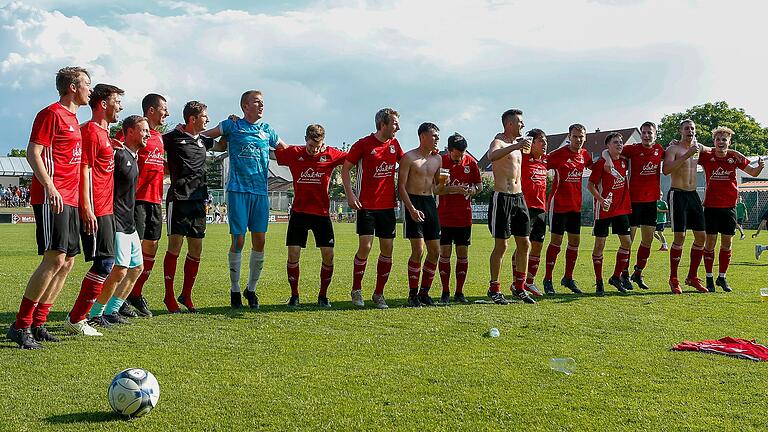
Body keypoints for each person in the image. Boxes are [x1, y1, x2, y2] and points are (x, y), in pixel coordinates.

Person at [6, 66, 91, 349]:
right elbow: (33, 152)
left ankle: (39, 323)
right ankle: (21, 325)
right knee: (54, 259)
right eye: (86, 85)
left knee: (67, 262)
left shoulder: (74, 120)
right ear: (72, 87)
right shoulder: (51, 114)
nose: (89, 90)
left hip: (70, 200)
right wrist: (51, 187)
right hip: (51, 197)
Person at [199, 90, 288, 309]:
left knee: (260, 241)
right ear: (244, 106)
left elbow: (287, 151)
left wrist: (312, 151)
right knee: (238, 240)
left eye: (263, 103)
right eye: (257, 102)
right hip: (237, 190)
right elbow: (203, 136)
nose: (261, 106)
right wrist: (183, 134)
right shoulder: (232, 125)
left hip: (260, 192)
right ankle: (235, 289)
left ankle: (251, 289)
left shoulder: (267, 131)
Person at [65, 83, 124, 336]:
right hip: (96, 208)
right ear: (103, 104)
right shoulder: (90, 131)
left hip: (106, 207)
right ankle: (77, 319)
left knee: (107, 263)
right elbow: (84, 169)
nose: (119, 107)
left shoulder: (101, 133)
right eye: (116, 102)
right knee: (104, 263)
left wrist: (110, 143)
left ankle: (80, 317)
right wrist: (87, 207)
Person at [275, 124, 346, 308]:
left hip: (321, 214)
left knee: (328, 255)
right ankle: (294, 295)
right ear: (305, 139)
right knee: (293, 254)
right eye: (311, 146)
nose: (314, 150)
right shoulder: (294, 153)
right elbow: (272, 151)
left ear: (323, 142)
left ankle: (323, 296)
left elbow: (353, 158)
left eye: (318, 146)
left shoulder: (331, 154)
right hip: (299, 213)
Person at [88, 115, 148, 325]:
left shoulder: (133, 156)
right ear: (130, 132)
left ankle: (112, 310)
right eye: (143, 130)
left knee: (137, 268)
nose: (147, 134)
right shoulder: (118, 155)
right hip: (116, 221)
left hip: (129, 223)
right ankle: (96, 313)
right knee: (119, 270)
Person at [341, 108, 404, 309]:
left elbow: (407, 163)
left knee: (388, 249)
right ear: (382, 124)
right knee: (365, 246)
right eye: (394, 123)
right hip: (366, 205)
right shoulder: (363, 144)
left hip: (387, 206)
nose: (398, 127)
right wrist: (350, 194)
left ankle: (379, 294)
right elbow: (345, 168)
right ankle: (356, 290)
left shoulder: (395, 145)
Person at [161, 101, 216, 313]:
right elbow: (151, 144)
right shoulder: (173, 138)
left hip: (199, 201)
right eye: (204, 116)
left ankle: (186, 294)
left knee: (196, 249)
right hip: (179, 199)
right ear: (192, 119)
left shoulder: (203, 141)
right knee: (175, 247)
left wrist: (232, 124)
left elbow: (222, 143)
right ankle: (168, 296)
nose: (207, 119)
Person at [699, 127, 764, 292]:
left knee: (727, 243)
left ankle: (722, 277)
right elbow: (690, 153)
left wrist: (760, 167)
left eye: (724, 140)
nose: (721, 142)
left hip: (729, 207)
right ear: (714, 141)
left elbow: (753, 172)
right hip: (711, 207)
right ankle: (709, 278)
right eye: (718, 139)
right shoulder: (706, 155)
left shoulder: (734, 156)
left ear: (729, 142)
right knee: (710, 243)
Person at [601, 122, 665, 290]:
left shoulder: (659, 149)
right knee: (629, 241)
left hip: (651, 203)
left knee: (648, 240)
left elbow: (672, 156)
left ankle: (638, 273)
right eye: (643, 132)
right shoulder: (632, 149)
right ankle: (624, 274)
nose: (646, 135)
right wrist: (607, 159)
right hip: (633, 202)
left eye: (649, 132)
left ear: (655, 134)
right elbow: (607, 150)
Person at [123, 94, 169, 316]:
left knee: (151, 248)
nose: (166, 114)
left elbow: (161, 165)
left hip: (155, 201)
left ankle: (135, 293)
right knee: (132, 252)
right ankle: (119, 297)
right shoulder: (136, 136)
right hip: (137, 200)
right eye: (163, 109)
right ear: (151, 110)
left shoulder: (159, 137)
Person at [486, 109, 536, 304]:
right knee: (502, 245)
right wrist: (515, 145)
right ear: (509, 124)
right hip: (502, 197)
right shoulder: (499, 141)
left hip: (519, 197)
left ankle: (519, 287)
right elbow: (491, 155)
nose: (523, 125)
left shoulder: (520, 144)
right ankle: (494, 288)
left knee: (525, 243)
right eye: (520, 122)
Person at [542, 124, 593, 295]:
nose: (578, 140)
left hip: (575, 206)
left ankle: (568, 278)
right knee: (556, 242)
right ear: (569, 137)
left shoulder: (585, 155)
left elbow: (595, 166)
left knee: (574, 243)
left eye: (581, 137)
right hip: (558, 205)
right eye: (575, 136)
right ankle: (547, 279)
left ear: (585, 138)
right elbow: (540, 163)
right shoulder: (558, 155)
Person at [399, 122, 445, 307]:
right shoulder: (409, 157)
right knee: (418, 250)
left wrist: (443, 186)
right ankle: (412, 294)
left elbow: (437, 187)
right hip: (413, 201)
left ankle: (424, 292)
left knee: (435, 251)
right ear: (422, 136)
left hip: (429, 203)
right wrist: (411, 209)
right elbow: (400, 187)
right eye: (434, 136)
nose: (437, 139)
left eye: (438, 136)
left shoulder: (438, 159)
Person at [661, 119, 709, 294]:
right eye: (687, 128)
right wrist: (687, 154)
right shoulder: (673, 149)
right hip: (677, 194)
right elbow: (666, 170)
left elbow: (717, 150)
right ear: (680, 130)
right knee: (680, 236)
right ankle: (674, 279)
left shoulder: (698, 147)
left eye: (693, 128)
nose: (690, 131)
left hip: (693, 194)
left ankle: (692, 277)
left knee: (701, 237)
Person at [437, 133, 482, 305]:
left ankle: (459, 292)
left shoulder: (471, 163)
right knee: (445, 254)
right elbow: (436, 190)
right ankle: (445, 291)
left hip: (464, 216)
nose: (460, 158)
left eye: (462, 154)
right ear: (448, 150)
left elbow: (479, 186)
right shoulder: (440, 162)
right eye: (456, 155)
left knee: (462, 255)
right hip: (445, 216)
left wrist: (472, 190)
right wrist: (451, 189)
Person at [588, 133, 633, 294]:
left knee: (627, 243)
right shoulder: (601, 163)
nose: (619, 145)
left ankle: (615, 277)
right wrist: (601, 200)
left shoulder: (624, 160)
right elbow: (590, 185)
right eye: (615, 142)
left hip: (621, 208)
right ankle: (599, 281)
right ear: (607, 146)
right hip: (604, 210)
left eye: (621, 142)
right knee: (600, 245)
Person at [520, 128, 548, 297]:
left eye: (546, 142)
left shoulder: (545, 161)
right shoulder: (522, 158)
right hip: (524, 208)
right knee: (523, 246)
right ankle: (518, 282)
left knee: (537, 245)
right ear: (532, 143)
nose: (545, 145)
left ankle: (529, 282)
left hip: (541, 209)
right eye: (541, 141)